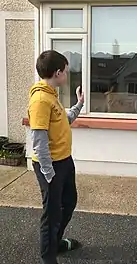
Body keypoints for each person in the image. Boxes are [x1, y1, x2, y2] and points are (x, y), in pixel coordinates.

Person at [28, 50, 84, 264]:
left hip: (64, 161)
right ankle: (49, 257)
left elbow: (64, 119)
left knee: (68, 203)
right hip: (50, 166)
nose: (67, 75)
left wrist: (79, 104)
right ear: (58, 72)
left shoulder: (51, 95)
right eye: (66, 72)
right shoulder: (41, 99)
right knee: (51, 214)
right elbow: (39, 140)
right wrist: (49, 173)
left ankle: (56, 242)